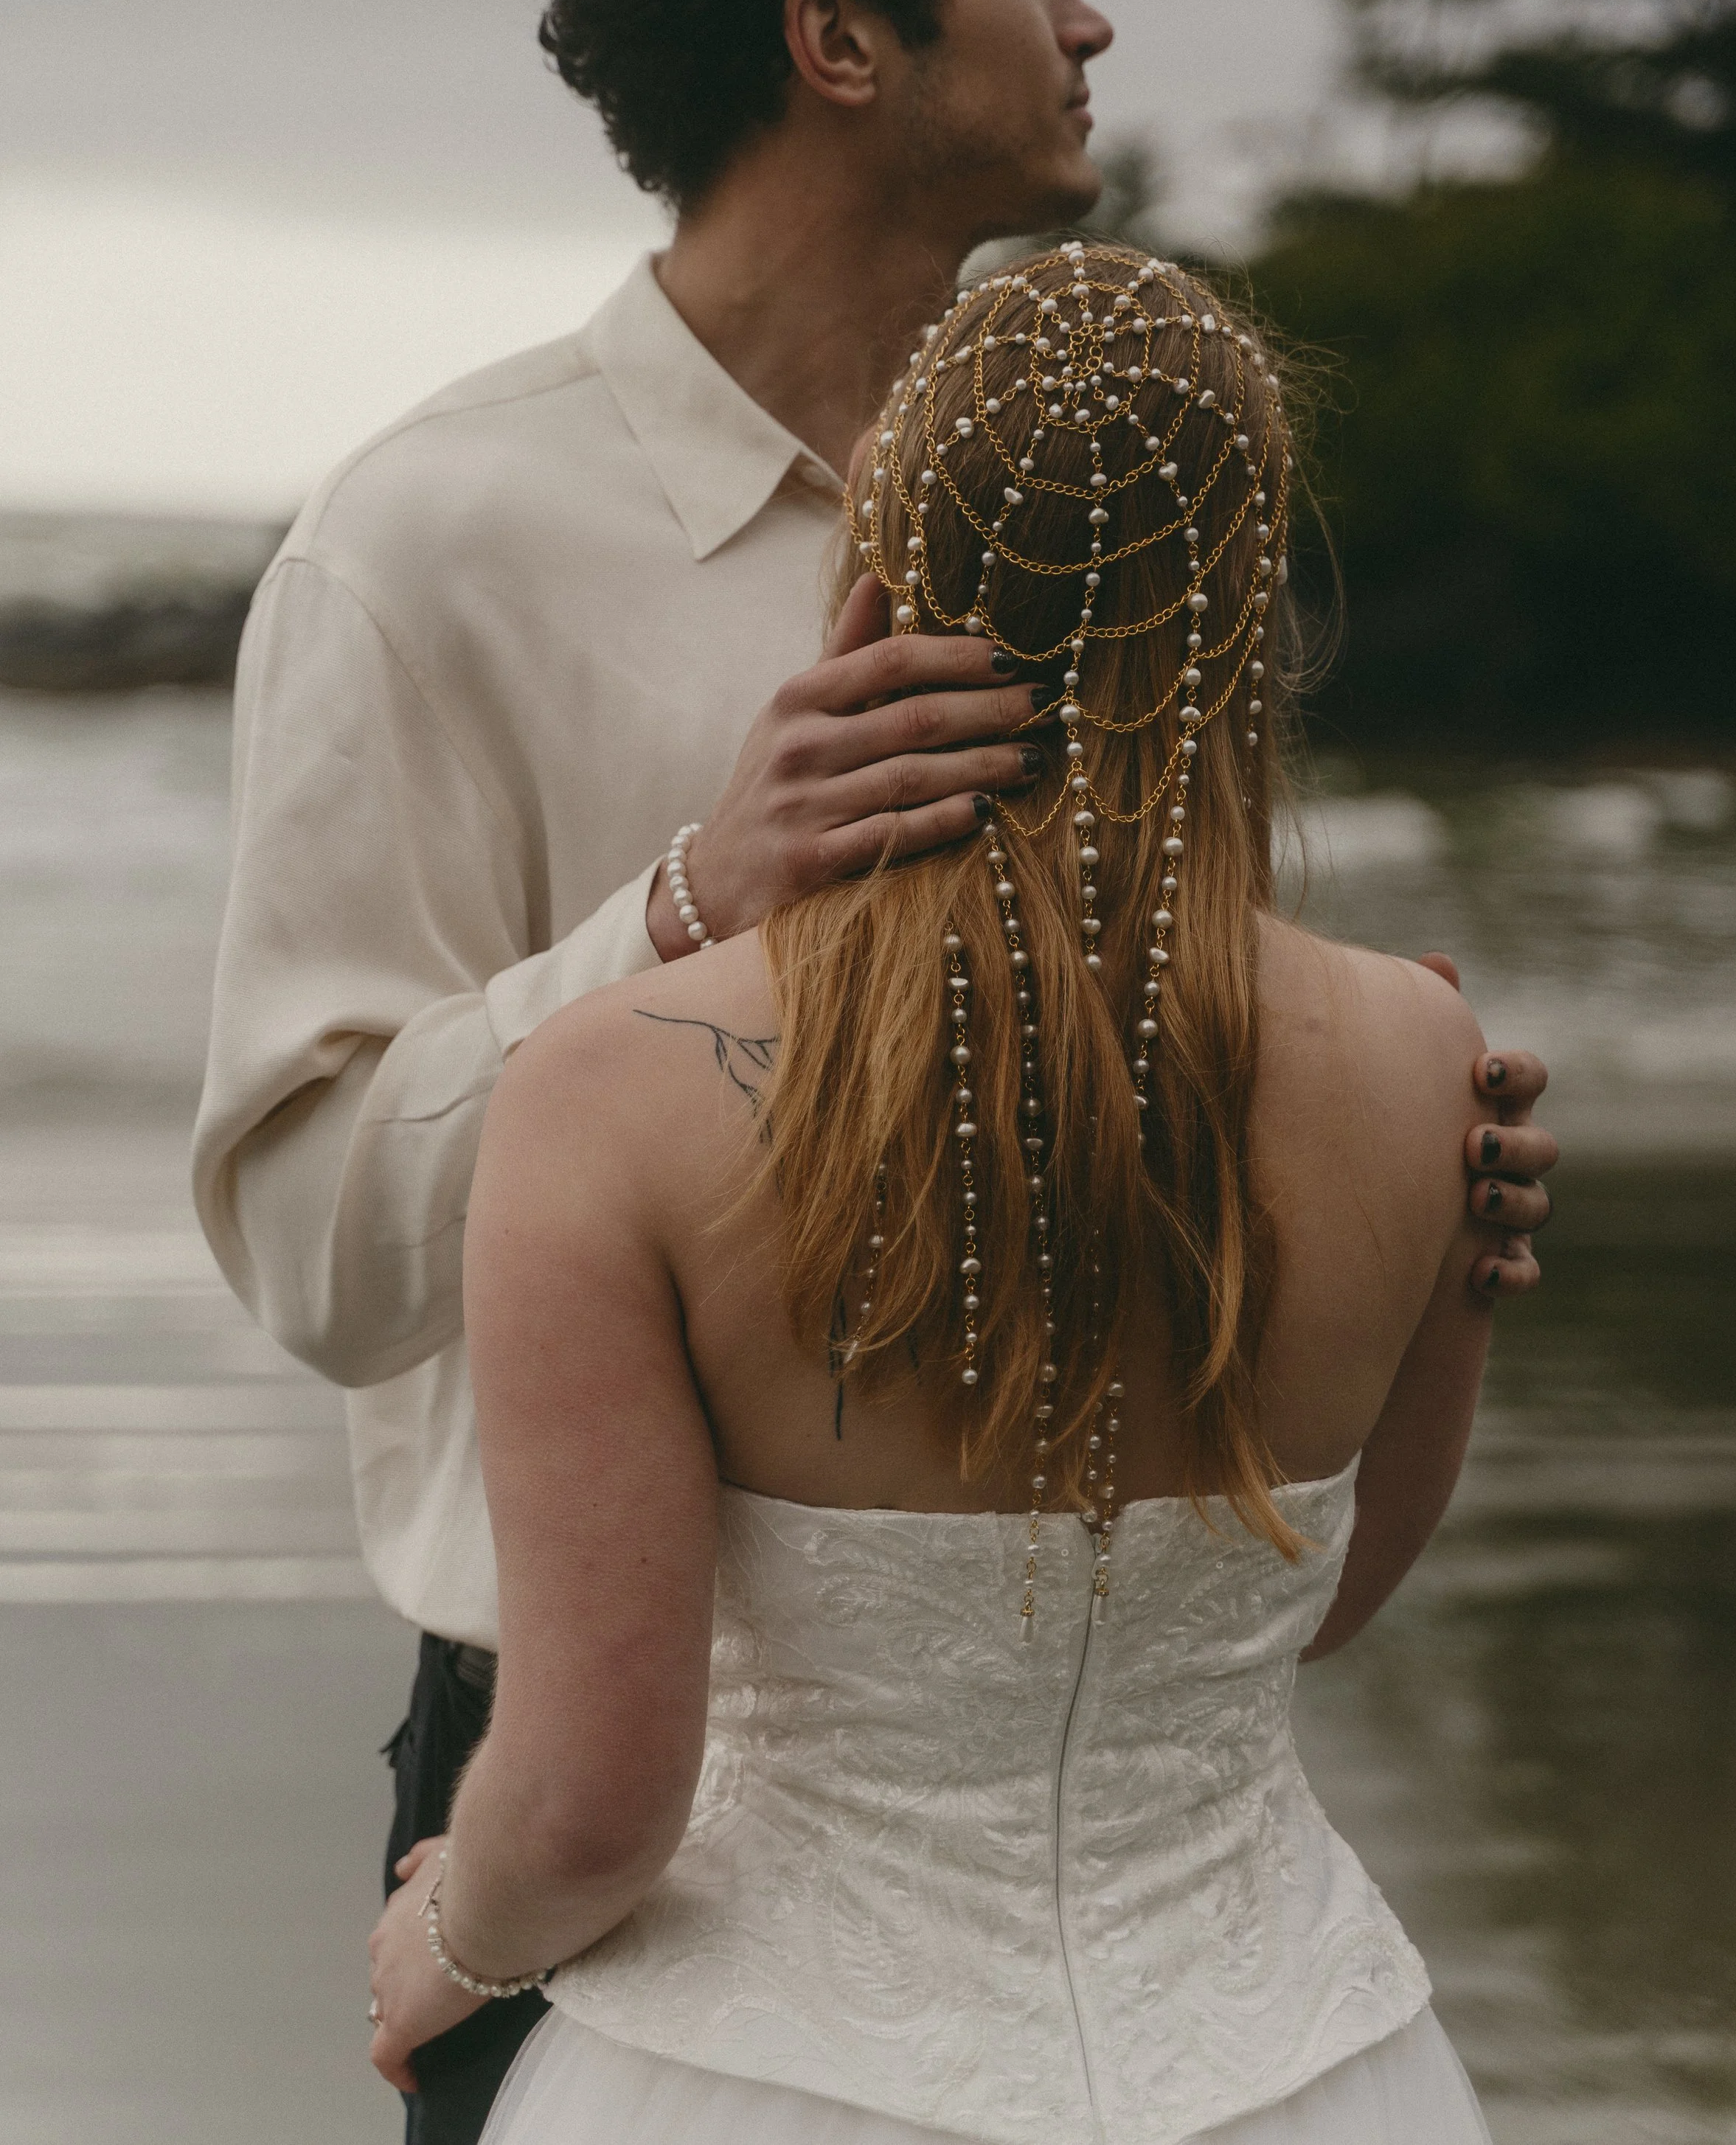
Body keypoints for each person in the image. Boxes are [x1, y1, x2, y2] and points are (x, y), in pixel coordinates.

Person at [192, 0, 1552, 2141]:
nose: (1096, 19)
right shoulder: (422, 551)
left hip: (1108, 1733)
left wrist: (1390, 1176)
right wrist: (686, 910)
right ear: (839, 40)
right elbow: (311, 1254)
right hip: (583, 1767)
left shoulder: (1093, 503)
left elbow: (1133, 1067)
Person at [365, 245, 1507, 2142]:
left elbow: (591, 1799)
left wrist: (453, 1948)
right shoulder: (1428, 1068)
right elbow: (1310, 1606)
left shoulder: (609, 1097)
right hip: (1301, 2079)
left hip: (758, 2087)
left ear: (879, 581)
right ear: (1241, 611)